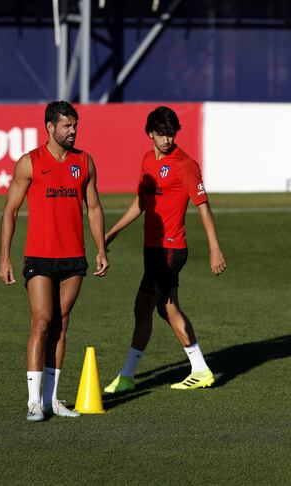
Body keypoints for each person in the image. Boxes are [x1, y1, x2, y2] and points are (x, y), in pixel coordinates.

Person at [0, 101, 109, 422]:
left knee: (61, 324)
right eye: (66, 126)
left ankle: (52, 399)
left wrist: (101, 248)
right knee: (42, 320)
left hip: (74, 258)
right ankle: (34, 402)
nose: (72, 131)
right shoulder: (29, 163)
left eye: (75, 126)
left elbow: (95, 207)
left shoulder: (84, 162)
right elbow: (11, 210)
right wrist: (4, 257)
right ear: (49, 127)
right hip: (40, 258)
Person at [104, 106, 226, 394]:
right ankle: (200, 370)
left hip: (171, 250)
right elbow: (141, 203)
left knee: (144, 305)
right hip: (152, 250)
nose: (167, 139)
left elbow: (204, 208)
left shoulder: (185, 164)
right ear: (150, 134)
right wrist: (113, 231)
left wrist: (215, 249)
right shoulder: (147, 160)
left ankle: (128, 375)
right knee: (166, 306)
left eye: (171, 134)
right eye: (161, 134)